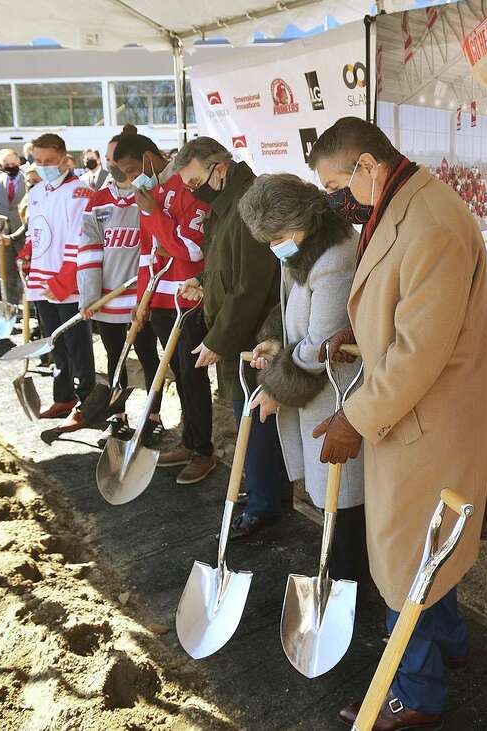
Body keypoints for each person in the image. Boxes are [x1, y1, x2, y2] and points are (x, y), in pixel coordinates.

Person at [308, 116, 487, 728]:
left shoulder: (430, 223)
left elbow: (421, 351)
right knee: (430, 540)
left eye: (337, 185)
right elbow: (404, 308)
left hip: (430, 415)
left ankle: (417, 695)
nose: (336, 201)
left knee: (404, 558)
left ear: (368, 166)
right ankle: (448, 642)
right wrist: (360, 330)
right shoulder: (403, 198)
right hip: (422, 410)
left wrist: (354, 418)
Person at [240, 172, 370, 584]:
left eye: (278, 236)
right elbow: (293, 310)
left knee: (344, 495)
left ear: (304, 217)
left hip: (337, 391)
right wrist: (275, 343)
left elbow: (321, 344)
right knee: (331, 495)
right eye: (270, 240)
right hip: (318, 390)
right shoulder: (304, 249)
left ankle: (349, 583)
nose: (276, 246)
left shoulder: (335, 258)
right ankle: (340, 572)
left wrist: (277, 387)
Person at [176, 137, 281, 536]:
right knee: (249, 420)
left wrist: (219, 339)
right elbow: (226, 270)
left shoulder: (247, 207)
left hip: (252, 338)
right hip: (237, 334)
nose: (191, 191)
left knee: (252, 421)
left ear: (220, 169)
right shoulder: (222, 206)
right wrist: (203, 283)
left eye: (194, 181)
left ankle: (263, 504)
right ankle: (265, 494)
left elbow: (252, 286)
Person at [116, 132, 215, 484]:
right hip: (158, 302)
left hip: (187, 301)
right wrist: (141, 301)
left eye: (131, 170)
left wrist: (155, 214)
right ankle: (189, 441)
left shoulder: (191, 189)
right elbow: (147, 254)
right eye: (122, 174)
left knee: (193, 376)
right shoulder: (151, 195)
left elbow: (190, 250)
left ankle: (204, 450)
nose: (129, 180)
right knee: (177, 375)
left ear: (147, 158)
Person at [77, 151, 165, 443]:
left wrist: (147, 291)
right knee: (115, 358)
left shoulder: (153, 196)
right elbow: (90, 248)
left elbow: (160, 244)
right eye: (111, 159)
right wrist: (89, 295)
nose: (117, 166)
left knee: (148, 356)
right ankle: (117, 417)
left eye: (122, 159)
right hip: (108, 299)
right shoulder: (98, 201)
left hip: (142, 297)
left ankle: (153, 417)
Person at [22, 132, 95, 430]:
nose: (43, 166)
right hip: (41, 280)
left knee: (77, 344)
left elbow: (80, 241)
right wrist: (26, 253)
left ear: (65, 159)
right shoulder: (38, 191)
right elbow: (35, 231)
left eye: (49, 161)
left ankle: (86, 402)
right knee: (53, 342)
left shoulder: (79, 192)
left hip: (67, 283)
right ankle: (63, 396)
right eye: (37, 161)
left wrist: (64, 280)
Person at [0, 148, 27, 306]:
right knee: (7, 272)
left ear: (18, 162)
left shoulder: (28, 180)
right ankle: (11, 305)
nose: (10, 166)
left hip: (23, 233)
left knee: (25, 270)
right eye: (6, 163)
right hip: (2, 235)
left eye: (13, 163)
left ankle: (29, 307)